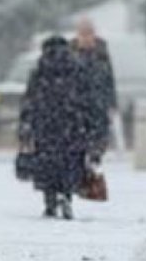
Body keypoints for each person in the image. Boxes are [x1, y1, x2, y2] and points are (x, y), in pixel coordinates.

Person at [19, 35, 92, 219]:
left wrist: (25, 124)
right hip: (71, 125)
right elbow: (87, 101)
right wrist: (88, 125)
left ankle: (50, 202)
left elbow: (30, 100)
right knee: (69, 163)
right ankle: (67, 196)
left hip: (45, 125)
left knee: (47, 164)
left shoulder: (40, 70)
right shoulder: (77, 69)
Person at [71, 16, 117, 164]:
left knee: (97, 143)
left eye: (89, 33)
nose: (86, 37)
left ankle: (94, 161)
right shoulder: (70, 54)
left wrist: (111, 103)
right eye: (82, 33)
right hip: (76, 108)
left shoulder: (101, 54)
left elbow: (109, 79)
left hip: (98, 106)